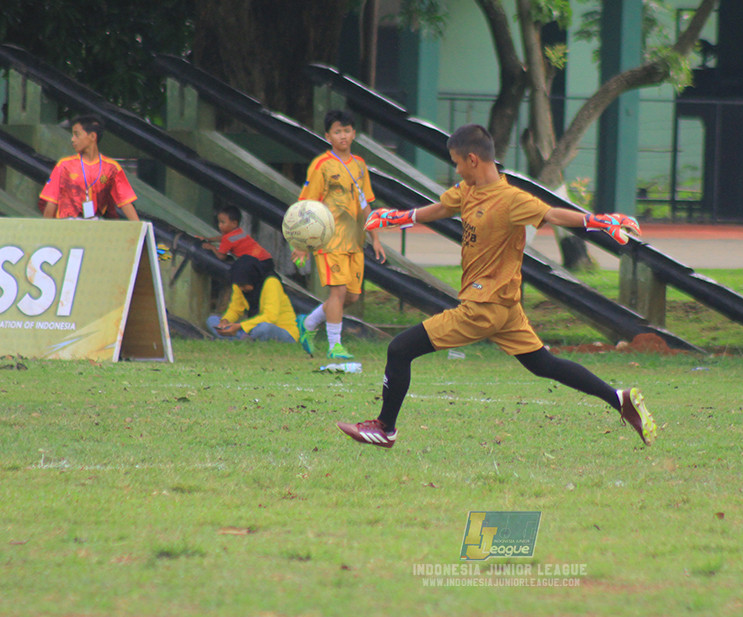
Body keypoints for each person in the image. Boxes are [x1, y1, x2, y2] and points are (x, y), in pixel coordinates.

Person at [337, 124, 656, 449]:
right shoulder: (468, 189)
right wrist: (399, 217)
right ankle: (619, 399)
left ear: (473, 159)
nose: (456, 169)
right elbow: (443, 208)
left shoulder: (511, 200)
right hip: (506, 308)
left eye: (457, 162)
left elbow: (553, 215)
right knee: (544, 364)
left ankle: (385, 428)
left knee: (400, 349)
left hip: (483, 307)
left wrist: (597, 221)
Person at [291, 109, 385, 360]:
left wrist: (375, 238)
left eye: (347, 131)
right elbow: (307, 204)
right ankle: (335, 347)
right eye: (337, 132)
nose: (342, 136)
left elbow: (365, 203)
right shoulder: (321, 165)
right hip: (330, 240)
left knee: (351, 296)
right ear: (328, 136)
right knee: (338, 293)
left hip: (355, 241)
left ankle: (308, 323)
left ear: (354, 134)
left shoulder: (360, 165)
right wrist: (301, 243)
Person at [39, 115, 140, 220]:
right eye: (72, 135)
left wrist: (138, 227)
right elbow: (52, 200)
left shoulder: (112, 168)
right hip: (68, 224)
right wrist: (46, 228)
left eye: (77, 135)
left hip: (96, 224)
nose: (72, 139)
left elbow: (125, 201)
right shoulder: (64, 165)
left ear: (92, 136)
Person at [206, 256, 301, 345]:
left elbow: (270, 317)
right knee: (212, 320)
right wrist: (225, 322)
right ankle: (244, 339)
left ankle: (240, 339)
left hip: (281, 330)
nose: (241, 288)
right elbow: (235, 309)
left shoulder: (271, 282)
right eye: (239, 285)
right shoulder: (239, 285)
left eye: (243, 285)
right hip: (251, 328)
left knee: (264, 327)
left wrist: (240, 326)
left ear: (252, 277)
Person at [198, 204, 275, 273]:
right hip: (267, 259)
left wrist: (212, 248)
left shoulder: (227, 239)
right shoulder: (239, 232)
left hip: (257, 264)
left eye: (223, 222)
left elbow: (222, 257)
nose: (219, 225)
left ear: (234, 223)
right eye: (219, 222)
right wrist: (209, 239)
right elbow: (223, 238)